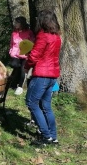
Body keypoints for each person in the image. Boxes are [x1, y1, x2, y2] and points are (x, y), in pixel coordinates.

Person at [24, 10, 61, 146]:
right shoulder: (56, 36)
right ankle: (53, 137)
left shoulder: (43, 35)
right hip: (53, 75)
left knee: (31, 102)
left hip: (42, 75)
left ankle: (46, 137)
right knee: (46, 106)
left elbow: (34, 55)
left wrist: (27, 65)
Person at [9, 16, 36, 95]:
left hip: (25, 55)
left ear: (22, 23)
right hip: (15, 55)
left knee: (23, 70)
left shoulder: (29, 32)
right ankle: (13, 83)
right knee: (14, 65)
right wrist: (11, 51)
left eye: (17, 23)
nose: (15, 24)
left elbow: (32, 42)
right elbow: (11, 43)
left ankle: (20, 87)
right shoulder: (14, 33)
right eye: (15, 22)